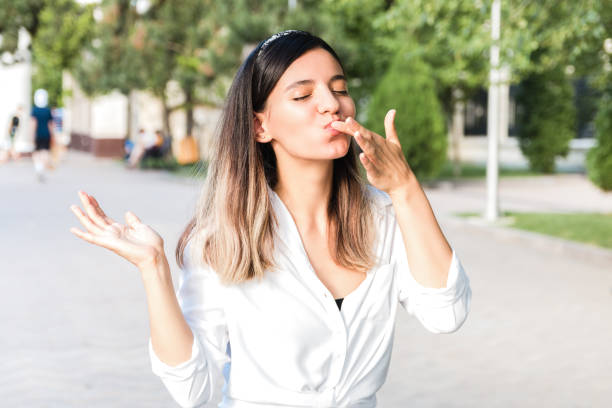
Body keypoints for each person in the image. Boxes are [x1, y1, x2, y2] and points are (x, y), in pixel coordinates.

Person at [69, 30, 471, 407]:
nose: (331, 103)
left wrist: (405, 189)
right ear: (261, 125)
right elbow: (195, 389)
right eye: (303, 96)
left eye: (340, 88)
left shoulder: (385, 217)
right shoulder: (221, 238)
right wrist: (152, 267)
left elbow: (446, 313)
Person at [31, 89, 54, 182]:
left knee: (36, 152)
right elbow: (50, 125)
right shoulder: (48, 110)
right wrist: (52, 135)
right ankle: (42, 169)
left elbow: (33, 123)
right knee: (45, 152)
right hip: (46, 135)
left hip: (38, 134)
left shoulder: (34, 110)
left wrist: (32, 135)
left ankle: (38, 168)